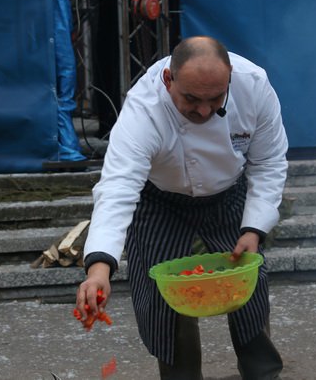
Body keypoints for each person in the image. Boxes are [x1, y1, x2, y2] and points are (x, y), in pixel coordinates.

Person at [75, 35, 288, 379]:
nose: (204, 111)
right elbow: (118, 187)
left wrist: (254, 228)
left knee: (250, 287)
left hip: (227, 195)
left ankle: (264, 374)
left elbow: (269, 161)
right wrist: (99, 268)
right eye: (191, 99)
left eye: (216, 98)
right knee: (165, 298)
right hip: (160, 201)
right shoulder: (143, 108)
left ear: (230, 77)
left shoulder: (255, 86)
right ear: (168, 80)